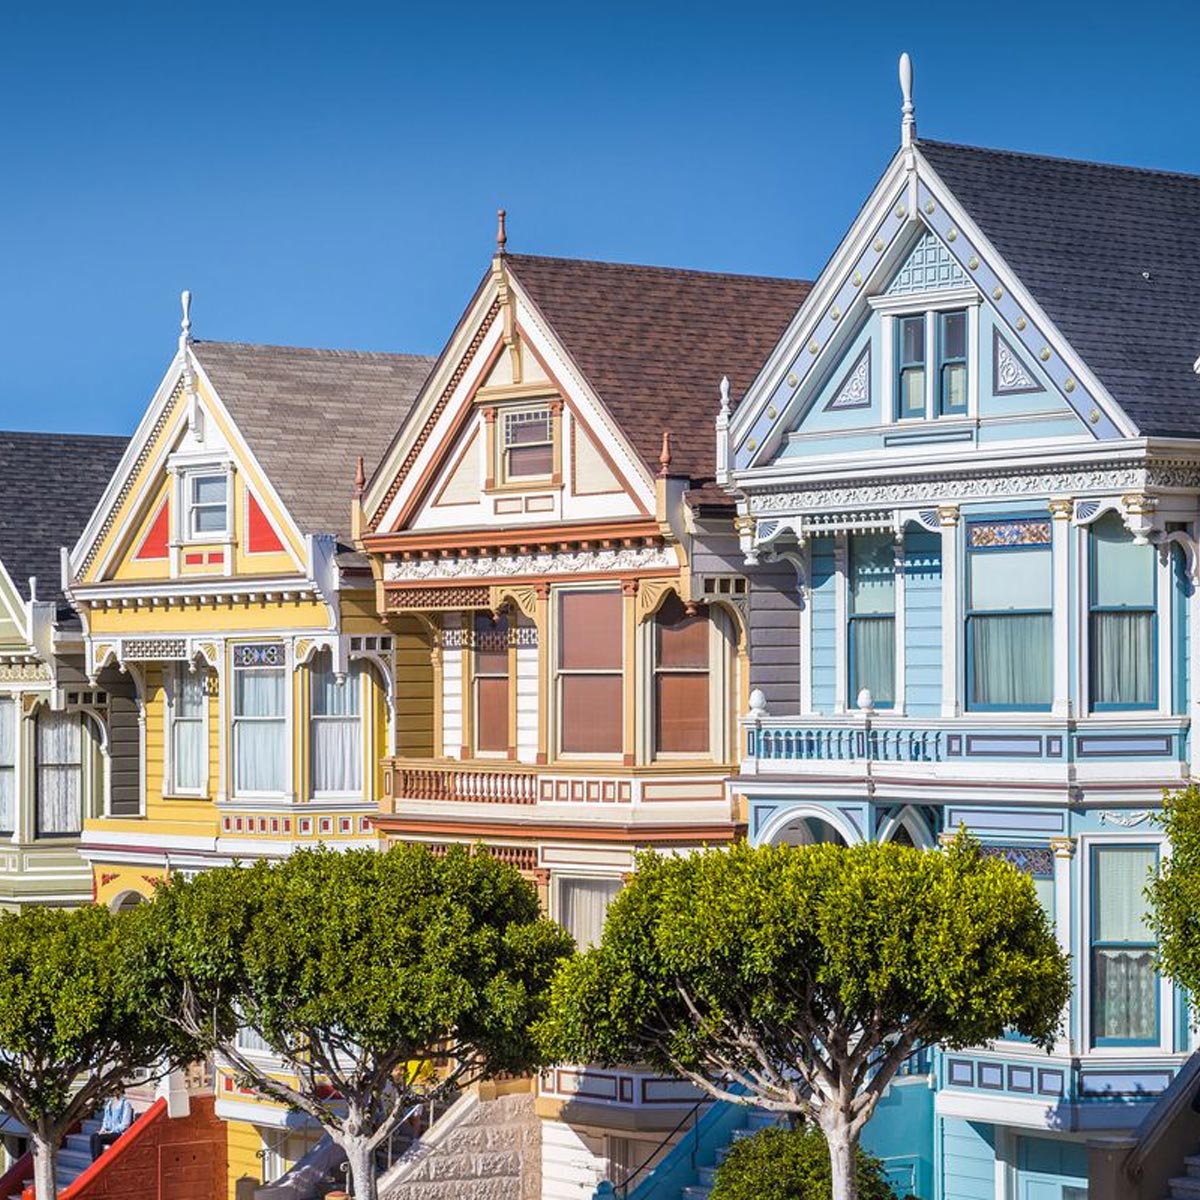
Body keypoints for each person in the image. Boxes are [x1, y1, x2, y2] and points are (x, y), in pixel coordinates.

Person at [90, 1088, 134, 1160]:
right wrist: (103, 1130)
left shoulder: (125, 1104)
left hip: (120, 1133)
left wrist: (111, 1131)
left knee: (98, 1138)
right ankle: (94, 1163)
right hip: (109, 1132)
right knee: (93, 1136)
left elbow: (125, 1124)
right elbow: (106, 1120)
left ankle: (98, 1163)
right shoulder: (109, 1103)